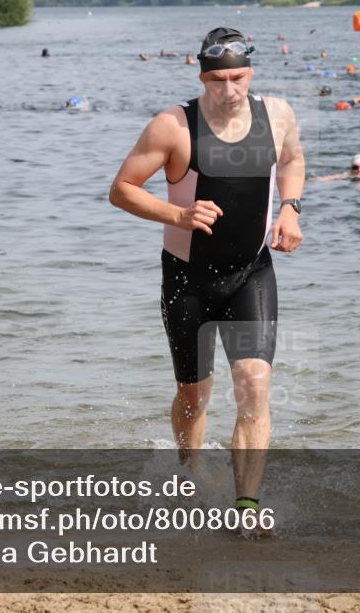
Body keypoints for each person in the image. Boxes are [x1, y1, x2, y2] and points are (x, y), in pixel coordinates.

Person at [109, 27, 305, 538]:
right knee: (194, 395)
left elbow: (293, 160)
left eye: (238, 77)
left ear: (251, 73)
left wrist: (290, 208)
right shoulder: (174, 126)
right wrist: (178, 213)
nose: (230, 89)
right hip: (188, 280)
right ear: (202, 76)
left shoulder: (277, 114)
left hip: (251, 273)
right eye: (218, 79)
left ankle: (245, 507)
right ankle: (189, 478)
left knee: (255, 385)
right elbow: (122, 190)